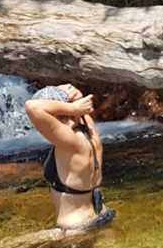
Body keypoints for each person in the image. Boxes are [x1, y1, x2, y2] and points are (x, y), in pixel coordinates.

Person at [25, 84, 116, 232]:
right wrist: (73, 103)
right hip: (102, 215)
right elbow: (80, 103)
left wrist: (72, 108)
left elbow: (32, 107)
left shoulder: (70, 142)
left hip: (76, 228)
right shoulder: (89, 129)